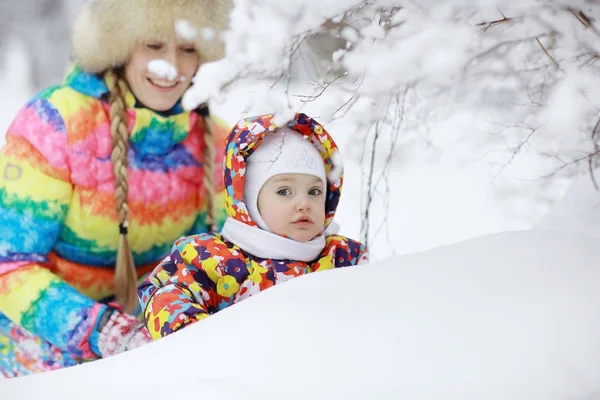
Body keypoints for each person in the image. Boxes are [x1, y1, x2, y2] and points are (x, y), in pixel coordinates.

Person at [0, 0, 231, 378]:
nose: (171, 66)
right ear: (119, 45)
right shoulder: (55, 124)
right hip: (34, 321)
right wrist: (102, 331)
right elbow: (9, 263)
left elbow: (227, 254)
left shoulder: (214, 140)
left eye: (188, 49)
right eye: (153, 46)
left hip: (150, 323)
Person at [138, 113, 369, 339]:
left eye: (314, 191)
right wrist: (206, 342)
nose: (305, 204)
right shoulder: (211, 259)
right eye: (284, 191)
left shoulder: (344, 258)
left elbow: (378, 305)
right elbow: (165, 296)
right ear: (247, 199)